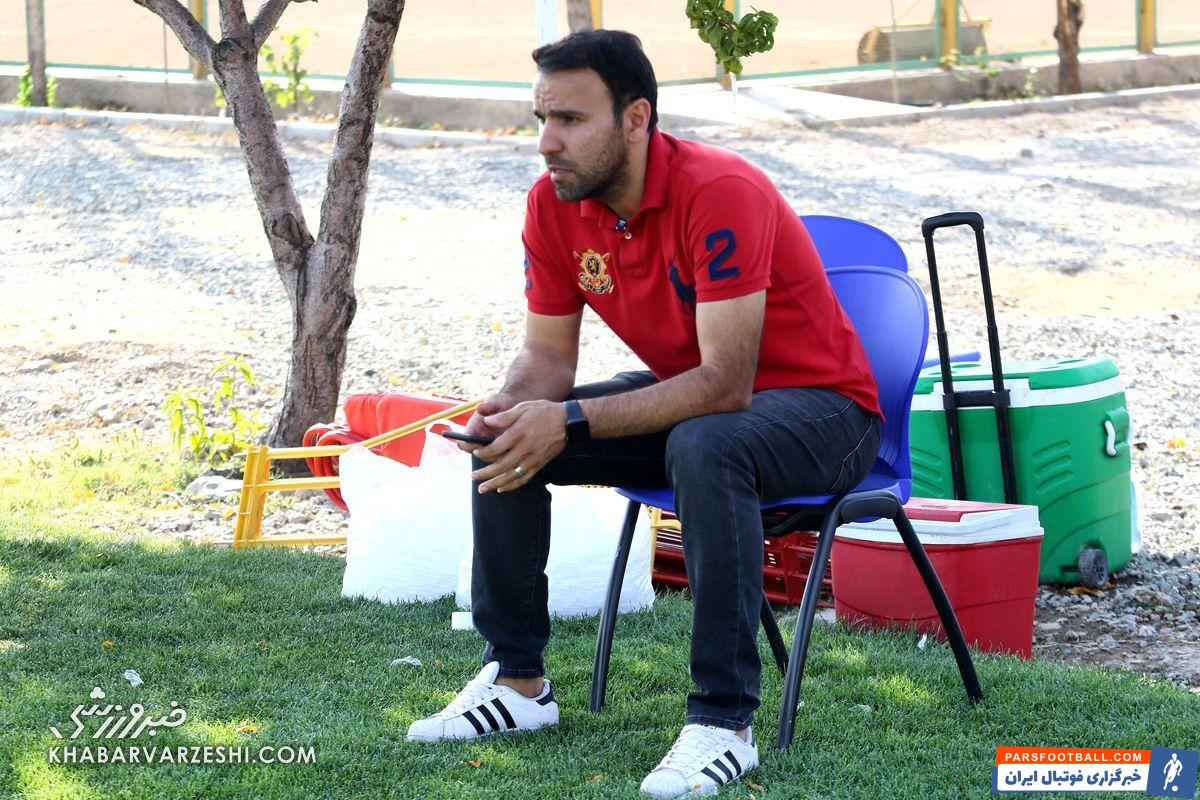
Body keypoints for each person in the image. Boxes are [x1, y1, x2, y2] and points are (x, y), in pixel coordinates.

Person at [406, 29, 882, 798]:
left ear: (636, 119)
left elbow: (725, 383)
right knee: (509, 437)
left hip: (830, 415)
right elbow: (547, 360)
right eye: (542, 119)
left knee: (705, 444)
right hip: (704, 411)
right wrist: (516, 404)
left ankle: (723, 722)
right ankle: (517, 682)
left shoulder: (721, 191)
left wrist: (570, 420)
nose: (547, 142)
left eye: (570, 120)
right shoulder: (554, 203)